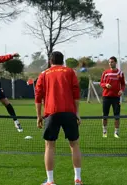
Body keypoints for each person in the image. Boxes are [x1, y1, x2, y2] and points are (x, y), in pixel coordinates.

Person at [35, 51, 83, 185]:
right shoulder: (70, 72)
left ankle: (50, 181)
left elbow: (38, 97)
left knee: (49, 146)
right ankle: (77, 179)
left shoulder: (44, 74)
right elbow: (76, 94)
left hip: (51, 113)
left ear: (50, 61)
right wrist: (77, 113)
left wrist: (39, 116)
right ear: (63, 61)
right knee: (74, 145)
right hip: (69, 112)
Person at [99, 56, 125, 138]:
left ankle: (116, 132)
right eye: (109, 62)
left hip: (116, 97)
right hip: (106, 97)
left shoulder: (120, 73)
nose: (110, 63)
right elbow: (101, 83)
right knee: (105, 115)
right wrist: (106, 85)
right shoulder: (105, 73)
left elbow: (123, 84)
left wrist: (122, 90)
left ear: (115, 63)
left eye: (112, 62)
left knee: (116, 116)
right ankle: (104, 131)